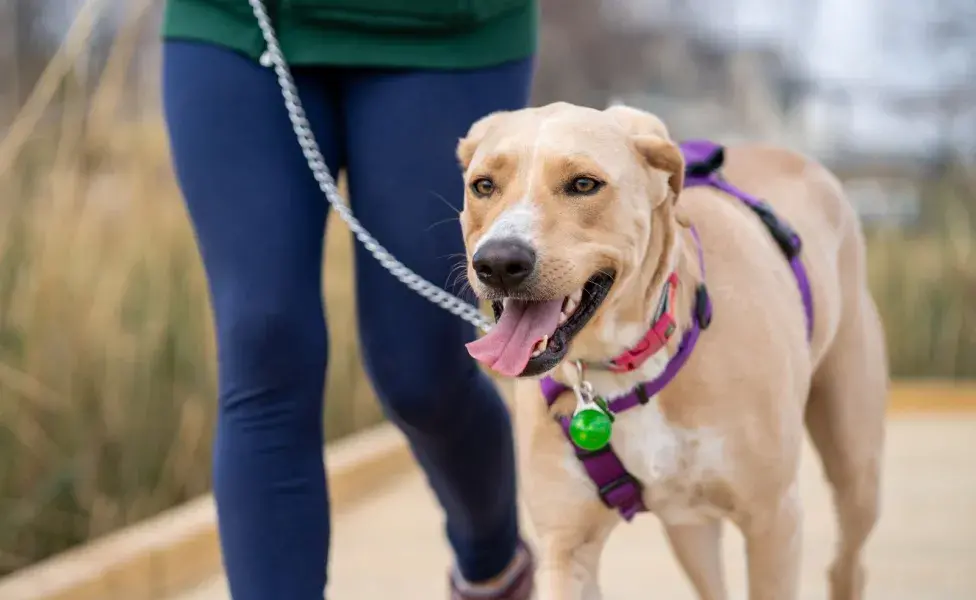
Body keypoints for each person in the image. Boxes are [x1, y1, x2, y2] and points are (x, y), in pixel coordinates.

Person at [160, 1, 537, 598]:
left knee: (420, 372)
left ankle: (494, 562)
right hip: (241, 29)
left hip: (444, 37)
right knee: (264, 342)